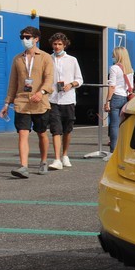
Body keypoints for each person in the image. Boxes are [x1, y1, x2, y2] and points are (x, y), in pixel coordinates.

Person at [0, 25, 54, 178]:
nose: (25, 40)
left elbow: (49, 79)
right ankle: (23, 166)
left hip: (40, 103)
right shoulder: (17, 59)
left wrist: (42, 92)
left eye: (28, 37)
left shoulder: (45, 57)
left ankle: (43, 161)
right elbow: (13, 83)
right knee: (22, 133)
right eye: (23, 37)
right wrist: (6, 103)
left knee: (42, 133)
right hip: (21, 102)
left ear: (36, 39)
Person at [46, 32, 84, 170]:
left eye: (60, 44)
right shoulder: (47, 59)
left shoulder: (72, 60)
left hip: (68, 99)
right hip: (53, 99)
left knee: (67, 130)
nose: (57, 46)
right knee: (56, 129)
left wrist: (71, 84)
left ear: (65, 45)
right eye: (55, 44)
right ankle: (56, 159)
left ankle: (65, 155)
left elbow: (80, 79)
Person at [105, 46, 134, 154]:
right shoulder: (130, 69)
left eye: (113, 54)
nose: (112, 56)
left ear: (117, 55)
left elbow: (112, 86)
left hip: (116, 97)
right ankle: (123, 150)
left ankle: (113, 151)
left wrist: (107, 101)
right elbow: (130, 86)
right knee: (123, 125)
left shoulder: (114, 68)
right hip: (126, 98)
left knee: (114, 125)